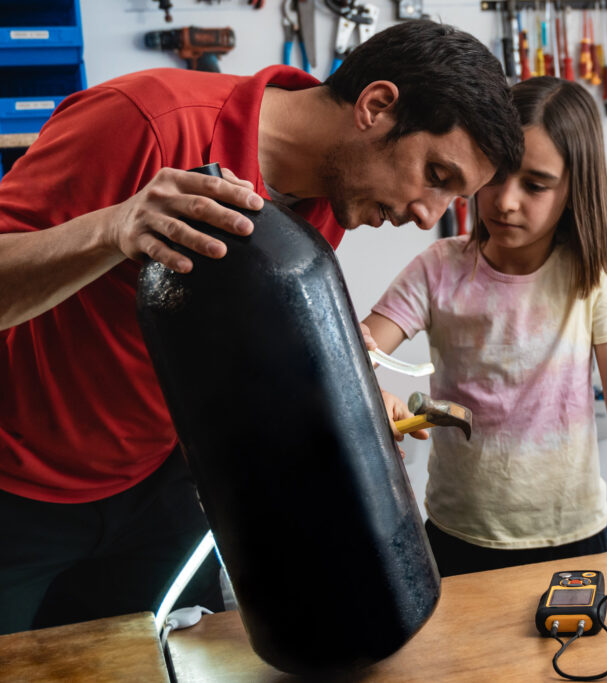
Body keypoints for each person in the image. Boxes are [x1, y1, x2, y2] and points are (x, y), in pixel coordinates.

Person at [0, 19, 522, 635]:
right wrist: (112, 228)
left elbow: (228, 350)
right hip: (19, 488)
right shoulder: (146, 122)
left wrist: (335, 384)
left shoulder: (328, 202)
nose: (428, 217)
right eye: (436, 175)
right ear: (376, 106)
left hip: (158, 485)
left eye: (452, 200)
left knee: (167, 663)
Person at [363, 77, 607, 577]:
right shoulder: (438, 268)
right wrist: (372, 390)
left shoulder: (595, 272)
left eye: (535, 185)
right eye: (497, 175)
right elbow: (353, 354)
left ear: (574, 190)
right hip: (456, 535)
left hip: (573, 536)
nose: (506, 200)